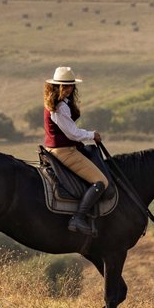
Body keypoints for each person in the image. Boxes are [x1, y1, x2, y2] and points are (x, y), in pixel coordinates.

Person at [42, 66, 109, 236]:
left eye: (71, 86)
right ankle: (78, 218)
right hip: (64, 151)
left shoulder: (58, 103)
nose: (68, 89)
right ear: (56, 87)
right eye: (65, 86)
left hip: (60, 148)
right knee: (101, 182)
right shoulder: (60, 107)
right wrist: (92, 135)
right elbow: (72, 134)